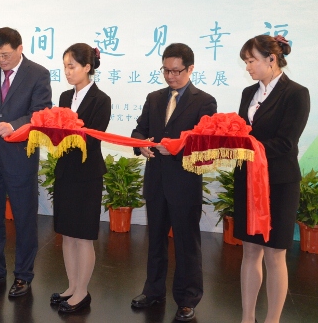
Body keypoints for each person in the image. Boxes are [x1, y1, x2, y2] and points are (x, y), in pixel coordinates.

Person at [130, 43, 217, 322]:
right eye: (166, 70)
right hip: (156, 179)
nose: (170, 76)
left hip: (184, 182)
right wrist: (140, 145)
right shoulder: (154, 97)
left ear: (190, 69)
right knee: (154, 239)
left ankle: (188, 298)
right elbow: (139, 129)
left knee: (186, 242)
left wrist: (179, 148)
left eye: (176, 71)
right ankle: (153, 290)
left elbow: (205, 144)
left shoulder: (205, 101)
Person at [0, 27, 52, 297]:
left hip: (20, 157)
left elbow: (41, 113)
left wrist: (14, 125)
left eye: (5, 54)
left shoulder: (38, 73)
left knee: (24, 218)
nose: (1, 60)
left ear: (20, 48)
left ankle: (24, 275)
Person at [234, 35, 309, 323]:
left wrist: (248, 147)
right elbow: (243, 133)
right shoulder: (247, 93)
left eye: (251, 60)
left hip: (278, 182)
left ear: (271, 59)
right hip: (248, 179)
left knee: (275, 253)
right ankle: (247, 317)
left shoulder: (296, 93)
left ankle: (272, 320)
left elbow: (287, 143)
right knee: (250, 250)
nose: (248, 67)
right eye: (246, 62)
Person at [51, 44, 111, 313]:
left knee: (83, 235)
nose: (67, 71)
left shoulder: (101, 100)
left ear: (88, 67)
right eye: (65, 66)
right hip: (65, 171)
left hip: (87, 174)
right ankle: (71, 286)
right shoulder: (64, 97)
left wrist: (67, 130)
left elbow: (92, 137)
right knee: (67, 234)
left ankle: (83, 292)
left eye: (72, 66)